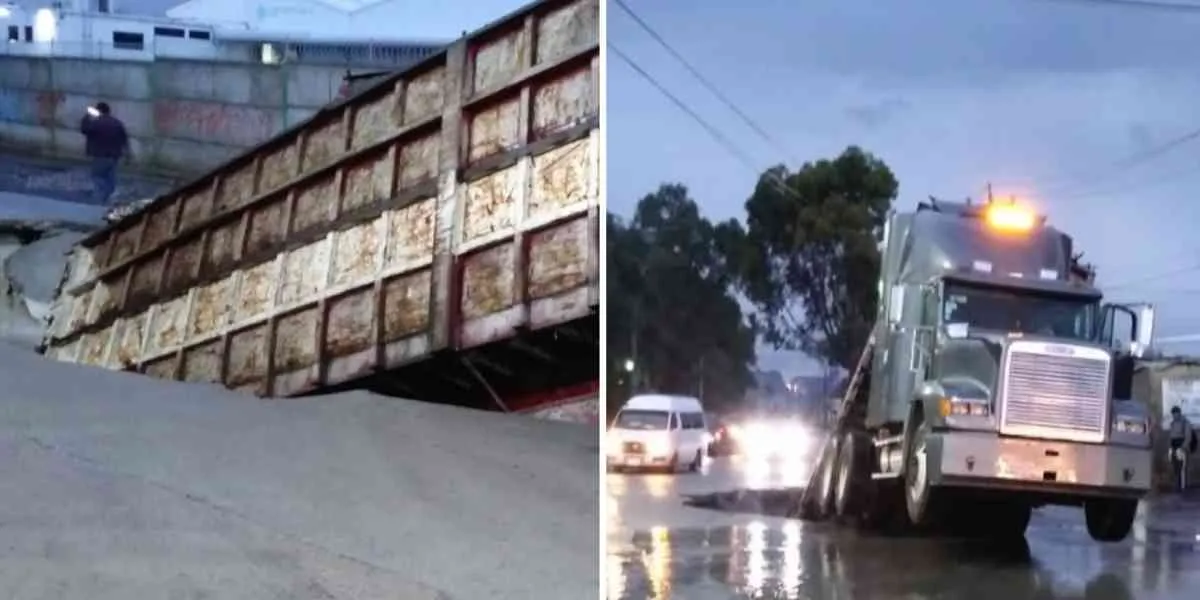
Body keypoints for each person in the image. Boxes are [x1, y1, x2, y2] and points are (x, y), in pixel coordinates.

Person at [79, 102, 129, 205]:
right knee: (110, 177)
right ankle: (109, 196)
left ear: (98, 111)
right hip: (114, 156)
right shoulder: (117, 123)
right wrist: (128, 154)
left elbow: (84, 130)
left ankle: (100, 198)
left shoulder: (96, 123)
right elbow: (124, 139)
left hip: (100, 155)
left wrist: (87, 116)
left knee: (97, 177)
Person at [1167, 406, 1197, 492]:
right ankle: (1178, 485)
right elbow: (1171, 436)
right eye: (1173, 414)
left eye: (1175, 414)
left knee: (1183, 468)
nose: (1174, 416)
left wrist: (1183, 447)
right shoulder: (1172, 423)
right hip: (1174, 446)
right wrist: (1170, 447)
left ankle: (1184, 487)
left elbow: (1188, 436)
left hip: (1182, 446)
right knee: (1176, 467)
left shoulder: (1185, 422)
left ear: (1179, 413)